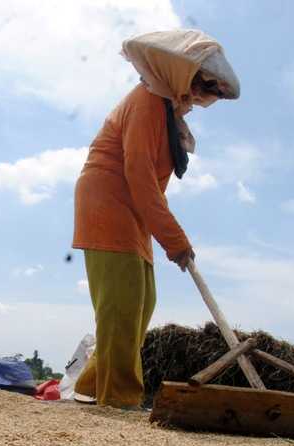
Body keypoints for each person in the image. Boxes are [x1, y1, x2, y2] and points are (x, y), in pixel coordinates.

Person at [71, 31, 236, 409]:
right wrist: (175, 241)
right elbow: (140, 178)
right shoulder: (146, 103)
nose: (198, 97)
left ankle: (92, 386)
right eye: (197, 86)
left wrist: (166, 237)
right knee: (122, 305)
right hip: (109, 205)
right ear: (178, 74)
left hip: (135, 213)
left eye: (205, 91)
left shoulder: (162, 108)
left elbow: (148, 190)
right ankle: (120, 399)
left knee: (142, 304)